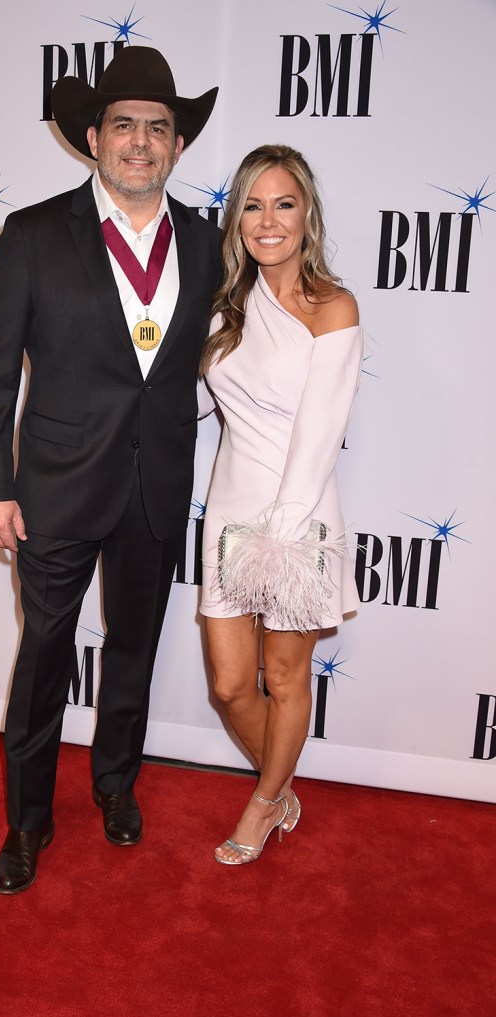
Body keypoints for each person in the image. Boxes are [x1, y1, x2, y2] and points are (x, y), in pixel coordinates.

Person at [0, 47, 219, 893]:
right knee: (44, 655)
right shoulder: (34, 233)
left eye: (158, 127)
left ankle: (115, 782)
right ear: (92, 137)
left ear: (177, 145)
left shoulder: (207, 240)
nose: (140, 142)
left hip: (156, 490)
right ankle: (27, 821)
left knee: (135, 648)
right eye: (124, 126)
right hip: (55, 490)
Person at [198, 144, 363, 865]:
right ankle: (284, 784)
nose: (269, 220)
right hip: (229, 509)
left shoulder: (334, 306)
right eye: (253, 205)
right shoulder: (223, 306)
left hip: (297, 518)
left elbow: (322, 432)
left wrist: (283, 539)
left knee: (286, 676)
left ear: (307, 216)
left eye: (284, 203)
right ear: (237, 219)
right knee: (232, 686)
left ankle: (265, 803)